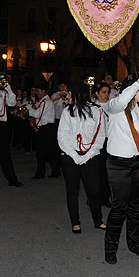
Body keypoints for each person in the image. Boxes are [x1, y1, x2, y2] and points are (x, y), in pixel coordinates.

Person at [101, 74, 139, 265]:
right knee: (119, 207)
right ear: (130, 90)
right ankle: (110, 248)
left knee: (135, 207)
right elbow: (123, 99)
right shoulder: (115, 107)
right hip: (118, 164)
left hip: (137, 163)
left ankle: (134, 244)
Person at [58, 81, 106, 233]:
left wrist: (87, 156)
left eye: (69, 93)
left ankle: (97, 220)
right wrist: (74, 155)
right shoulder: (67, 111)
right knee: (72, 190)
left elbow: (100, 137)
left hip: (90, 157)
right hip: (70, 156)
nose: (67, 95)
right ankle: (75, 222)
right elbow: (62, 135)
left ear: (76, 94)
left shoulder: (96, 112)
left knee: (94, 191)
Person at [28, 83, 57, 179]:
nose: (36, 93)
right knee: (48, 151)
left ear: (43, 91)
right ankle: (54, 172)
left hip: (47, 129)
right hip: (45, 129)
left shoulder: (46, 102)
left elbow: (37, 114)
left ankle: (41, 173)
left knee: (42, 152)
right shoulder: (42, 101)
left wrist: (28, 111)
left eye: (38, 91)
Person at [93, 82, 112, 206]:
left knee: (107, 172)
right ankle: (94, 198)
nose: (106, 95)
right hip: (96, 142)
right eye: (103, 92)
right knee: (96, 172)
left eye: (108, 92)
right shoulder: (92, 107)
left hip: (109, 141)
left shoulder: (112, 107)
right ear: (97, 93)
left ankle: (105, 197)